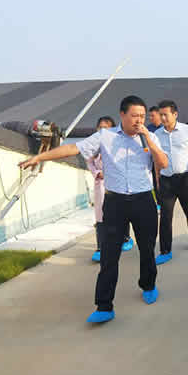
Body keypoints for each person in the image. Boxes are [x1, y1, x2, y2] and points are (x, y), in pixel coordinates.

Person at [20, 96, 168, 323]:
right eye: (134, 116)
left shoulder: (150, 137)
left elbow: (164, 163)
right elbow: (73, 148)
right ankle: (104, 305)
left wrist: (147, 137)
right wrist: (40, 157)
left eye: (142, 116)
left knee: (147, 249)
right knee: (109, 255)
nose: (139, 120)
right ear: (122, 115)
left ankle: (148, 284)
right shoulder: (105, 137)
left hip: (143, 200)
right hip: (115, 202)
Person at [154, 100, 188, 265]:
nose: (162, 118)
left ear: (175, 114)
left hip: (185, 178)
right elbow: (156, 158)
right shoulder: (157, 134)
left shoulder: (187, 130)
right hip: (166, 180)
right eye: (160, 115)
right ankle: (165, 250)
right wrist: (157, 178)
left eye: (165, 115)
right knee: (165, 216)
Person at [86, 116, 135, 262]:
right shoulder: (93, 145)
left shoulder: (118, 144)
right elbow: (89, 162)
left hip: (117, 184)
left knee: (121, 213)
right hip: (100, 185)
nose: (103, 131)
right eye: (100, 128)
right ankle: (100, 248)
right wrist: (97, 173)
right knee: (100, 216)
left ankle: (125, 238)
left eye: (106, 128)